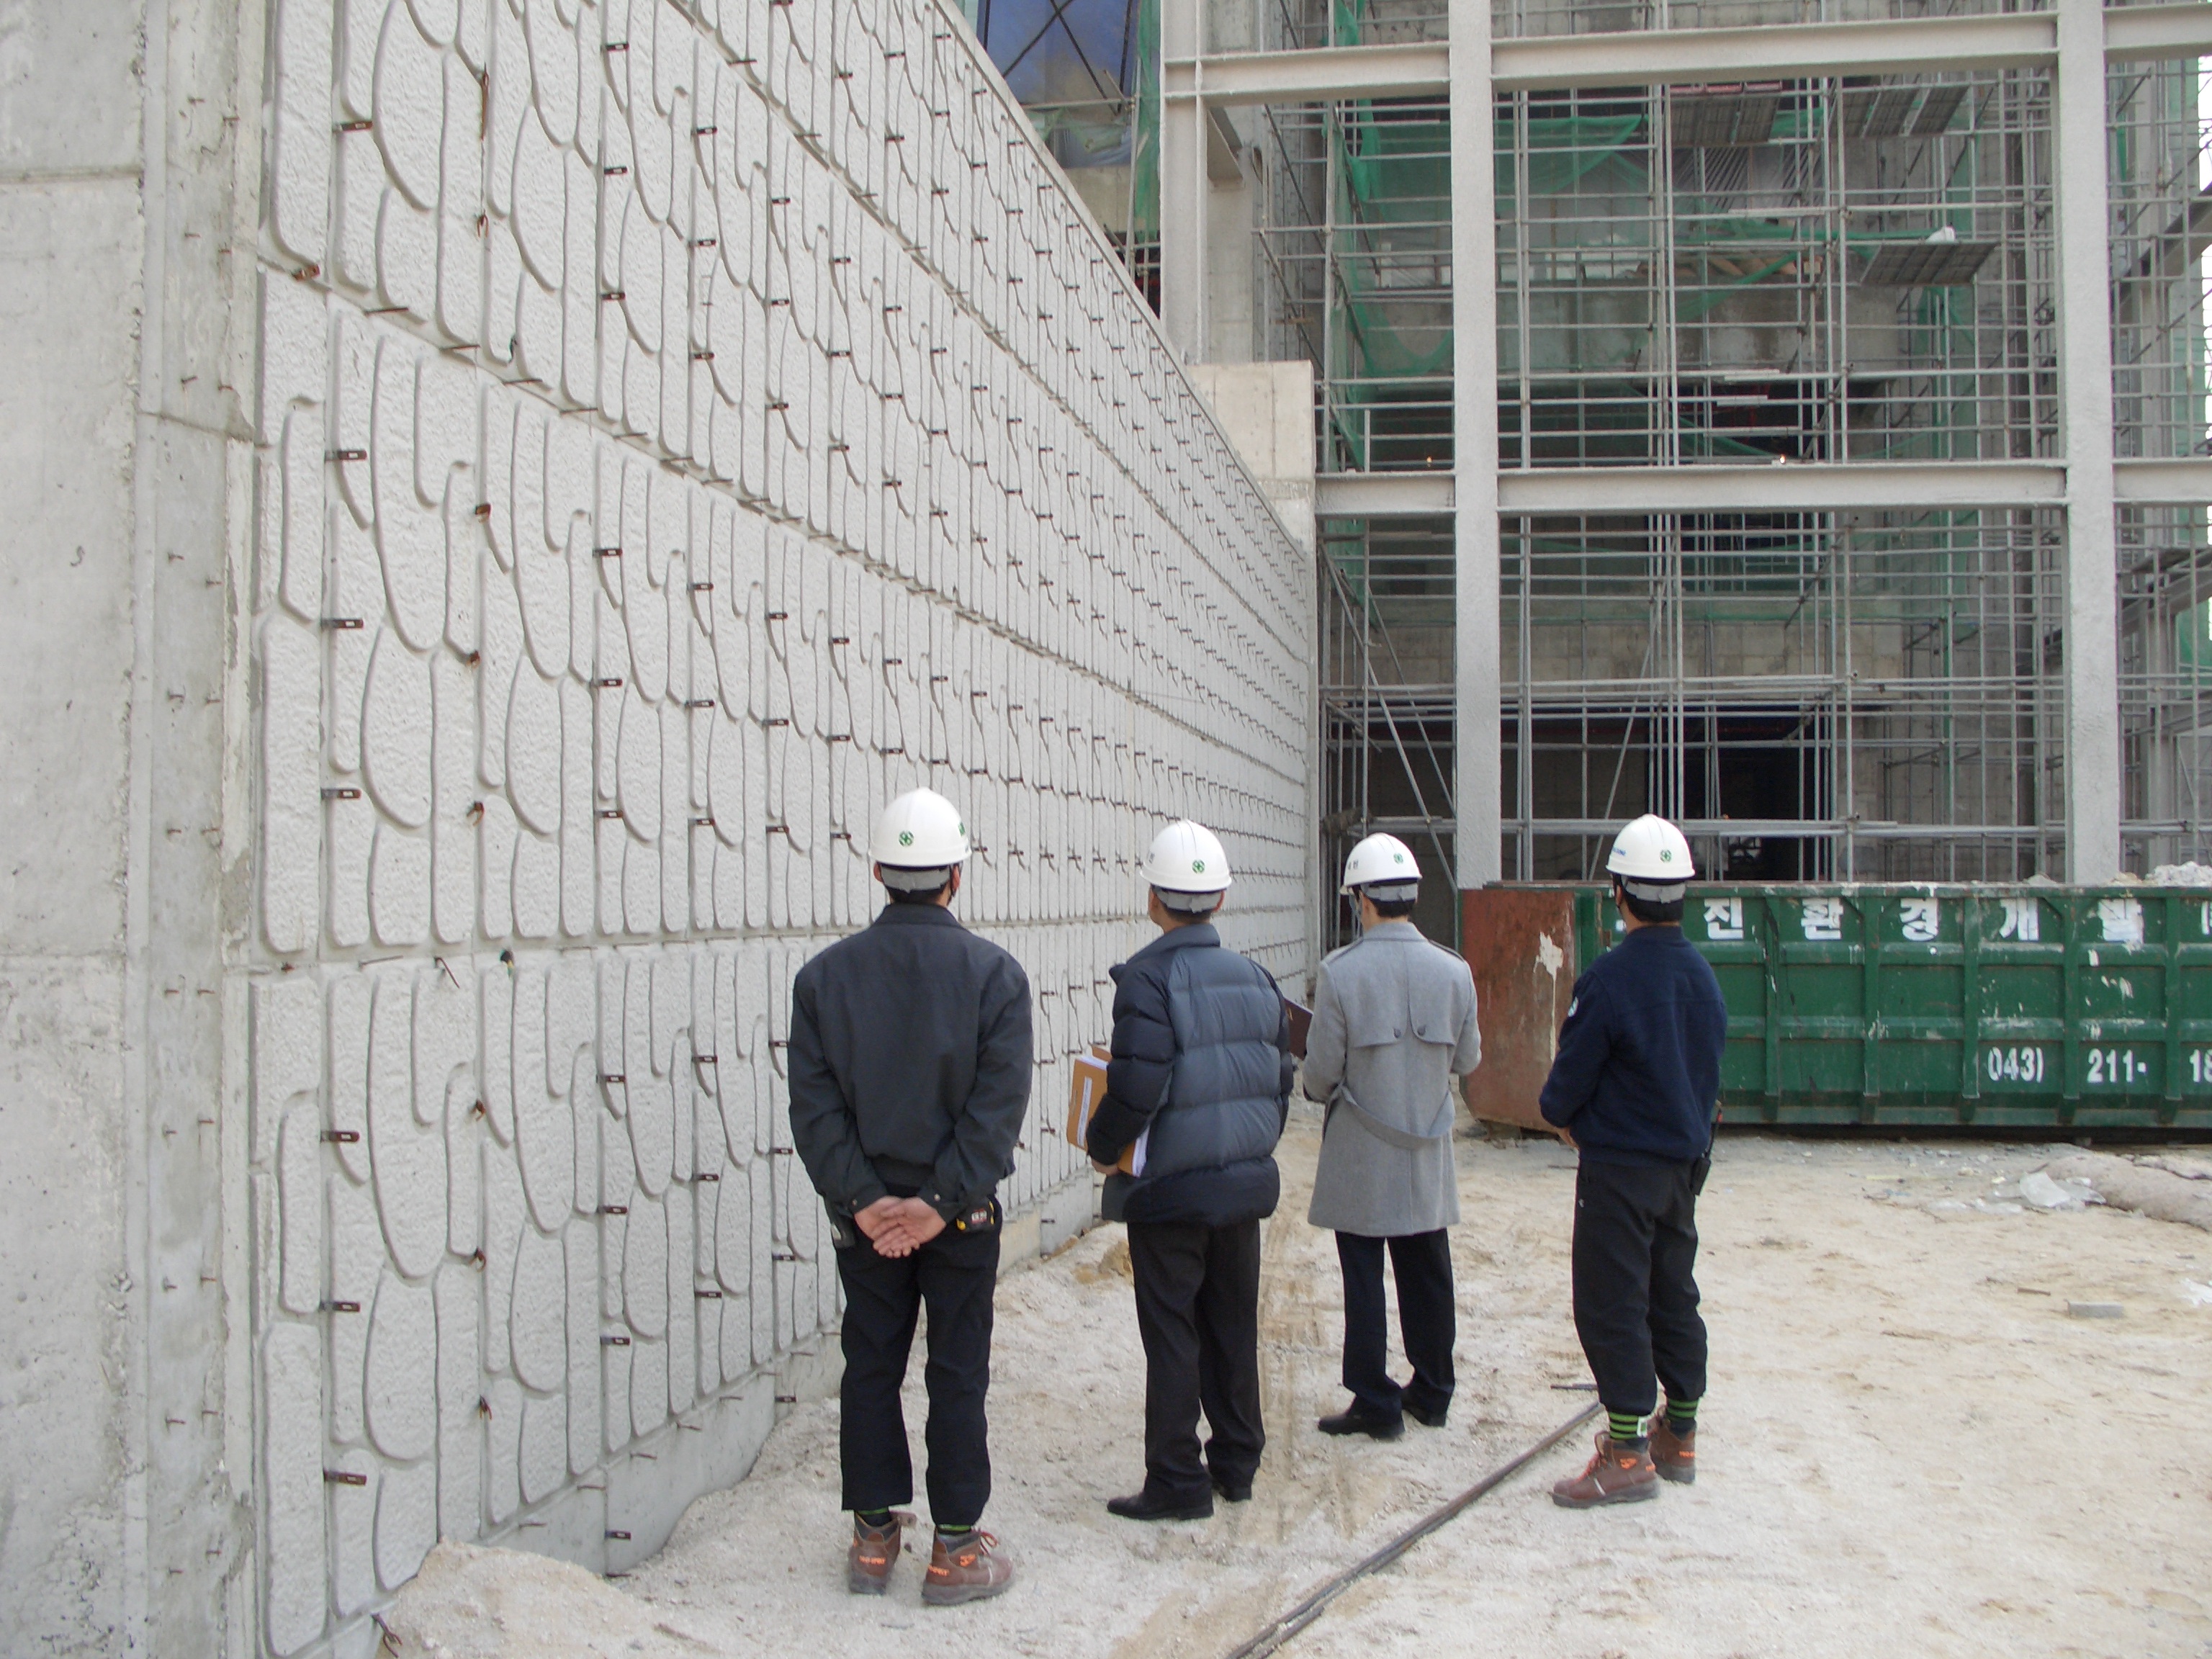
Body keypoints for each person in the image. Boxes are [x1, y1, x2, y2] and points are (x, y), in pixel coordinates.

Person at [787, 788, 1030, 1603]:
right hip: (958, 1218)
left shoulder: (822, 980)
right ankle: (954, 1547)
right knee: (957, 1369)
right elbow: (996, 1112)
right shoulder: (997, 977)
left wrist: (866, 1201)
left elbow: (815, 1109)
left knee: (871, 1364)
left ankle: (872, 1537)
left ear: (880, 873)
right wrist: (937, 1205)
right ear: (957, 875)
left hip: (868, 1223)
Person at [1083, 821, 1295, 1521]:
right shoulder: (1259, 980)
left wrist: (1102, 1144)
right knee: (1232, 1324)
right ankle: (1237, 1463)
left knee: (1173, 1329)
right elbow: (1279, 1082)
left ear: (1153, 898)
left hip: (1171, 1190)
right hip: (1239, 1184)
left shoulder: (1147, 979)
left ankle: (1177, 1478)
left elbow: (1137, 1086)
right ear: (1222, 898)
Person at [1537, 813, 1727, 1509]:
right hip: (1682, 1171)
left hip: (1618, 1173)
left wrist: (1569, 1121)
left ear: (1618, 892)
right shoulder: (1703, 978)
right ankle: (1680, 1433)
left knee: (1612, 1302)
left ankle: (1625, 1453)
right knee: (1674, 1295)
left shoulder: (1610, 980)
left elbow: (1564, 1089)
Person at [1303, 835, 1480, 1439]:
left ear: (1361, 900)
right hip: (1426, 1153)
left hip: (1361, 1155)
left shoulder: (1340, 972)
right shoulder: (1454, 971)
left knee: (1363, 1278)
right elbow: (1468, 1061)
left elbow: (1320, 1076)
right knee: (1428, 1271)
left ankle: (1376, 1403)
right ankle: (1432, 1392)